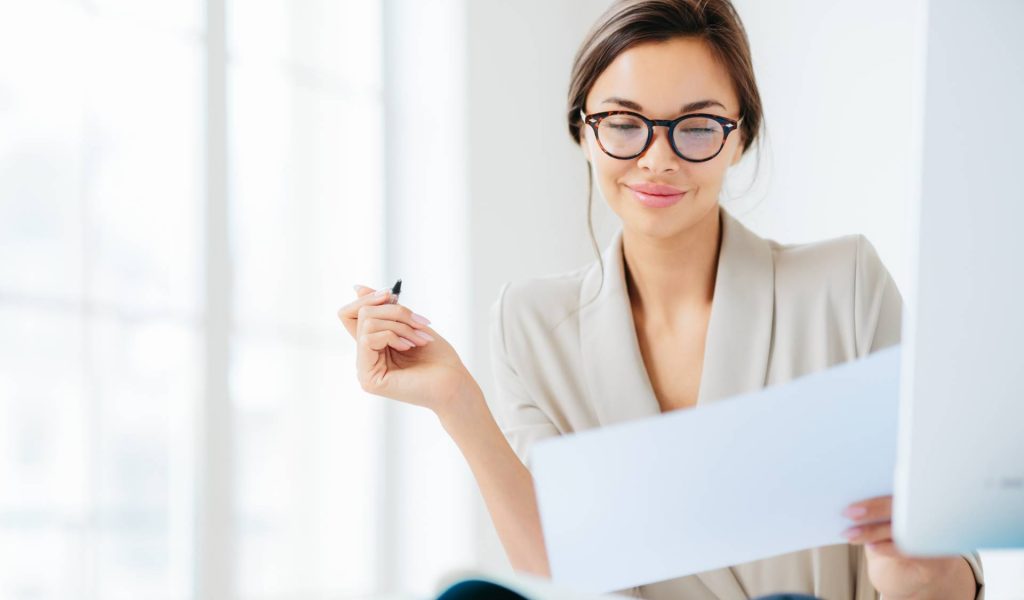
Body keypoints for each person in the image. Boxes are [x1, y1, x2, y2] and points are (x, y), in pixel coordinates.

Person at [338, 1, 984, 598]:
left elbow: (945, 579)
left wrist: (916, 565)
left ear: (739, 136)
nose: (657, 158)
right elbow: (555, 571)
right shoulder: (529, 321)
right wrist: (457, 402)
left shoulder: (843, 283)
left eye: (697, 127)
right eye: (624, 124)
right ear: (584, 131)